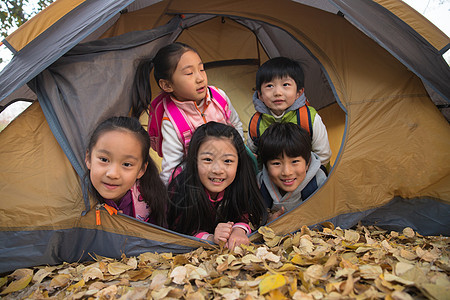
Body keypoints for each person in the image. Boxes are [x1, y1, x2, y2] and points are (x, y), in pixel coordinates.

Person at [132, 42, 244, 184]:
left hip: (230, 169)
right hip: (198, 180)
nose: (200, 78)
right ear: (167, 85)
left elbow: (236, 125)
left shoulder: (219, 97)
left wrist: (239, 156)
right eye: (189, 73)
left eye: (202, 69)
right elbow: (172, 169)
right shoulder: (171, 121)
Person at [167, 122, 266, 249]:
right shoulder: (181, 186)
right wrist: (210, 238)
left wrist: (238, 230)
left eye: (227, 161)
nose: (217, 170)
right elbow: (179, 229)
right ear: (194, 160)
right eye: (208, 159)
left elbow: (247, 215)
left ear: (239, 163)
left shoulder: (243, 182)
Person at [247, 56, 332, 170]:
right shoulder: (256, 123)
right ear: (260, 95)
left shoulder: (309, 118)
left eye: (286, 85)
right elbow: (252, 157)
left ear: (299, 92)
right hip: (271, 179)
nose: (277, 92)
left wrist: (305, 176)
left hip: (310, 176)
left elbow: (323, 155)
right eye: (269, 86)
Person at [85, 116, 168, 227]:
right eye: (104, 160)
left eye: (127, 164)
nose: (113, 174)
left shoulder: (151, 199)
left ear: (141, 170)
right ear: (88, 158)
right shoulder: (75, 201)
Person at [257, 122, 327, 221]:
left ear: (307, 164)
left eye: (294, 162)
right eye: (276, 163)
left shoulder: (320, 183)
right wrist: (268, 223)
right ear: (266, 166)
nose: (287, 172)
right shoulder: (260, 186)